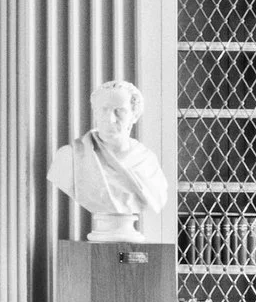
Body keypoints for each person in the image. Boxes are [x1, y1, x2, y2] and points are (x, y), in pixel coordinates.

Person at [47, 80, 168, 241]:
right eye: (103, 110)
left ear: (135, 115)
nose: (110, 119)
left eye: (119, 111)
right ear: (95, 113)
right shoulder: (69, 158)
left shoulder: (148, 163)